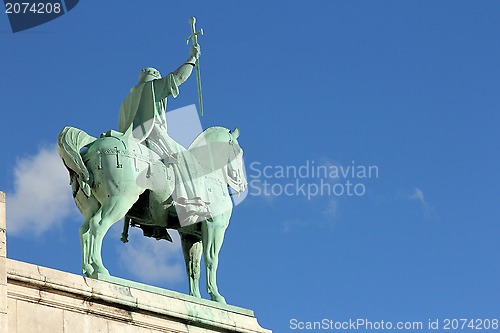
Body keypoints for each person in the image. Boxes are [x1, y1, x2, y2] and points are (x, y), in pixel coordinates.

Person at [118, 44, 210, 226]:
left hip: (130, 138)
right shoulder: (150, 88)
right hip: (152, 133)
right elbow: (178, 78)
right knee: (186, 159)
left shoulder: (128, 98)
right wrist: (192, 59)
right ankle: (192, 204)